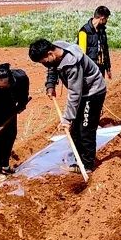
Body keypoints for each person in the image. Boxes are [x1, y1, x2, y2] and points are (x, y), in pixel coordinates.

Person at [30, 38, 107, 173]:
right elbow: (52, 68)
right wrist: (50, 85)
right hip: (82, 91)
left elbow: (75, 94)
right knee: (75, 129)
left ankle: (87, 165)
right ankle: (78, 160)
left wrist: (67, 119)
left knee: (86, 128)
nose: (44, 64)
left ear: (50, 54)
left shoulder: (72, 64)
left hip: (92, 92)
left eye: (43, 61)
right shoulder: (56, 51)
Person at [78, 5, 112, 80]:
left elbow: (105, 50)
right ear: (102, 18)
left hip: (101, 68)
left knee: (101, 90)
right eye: (106, 19)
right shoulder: (84, 32)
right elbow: (81, 54)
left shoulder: (102, 31)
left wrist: (108, 68)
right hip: (89, 70)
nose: (106, 21)